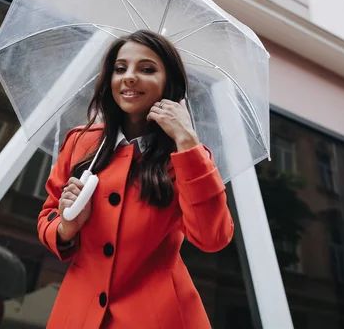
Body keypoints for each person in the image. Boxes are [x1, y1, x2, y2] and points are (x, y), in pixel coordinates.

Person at [37, 29, 234, 329]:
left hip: (158, 317)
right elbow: (47, 216)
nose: (129, 77)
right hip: (77, 315)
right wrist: (66, 227)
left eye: (147, 69)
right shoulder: (81, 143)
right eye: (120, 68)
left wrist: (187, 140)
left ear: (169, 85)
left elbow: (213, 237)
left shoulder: (186, 156)